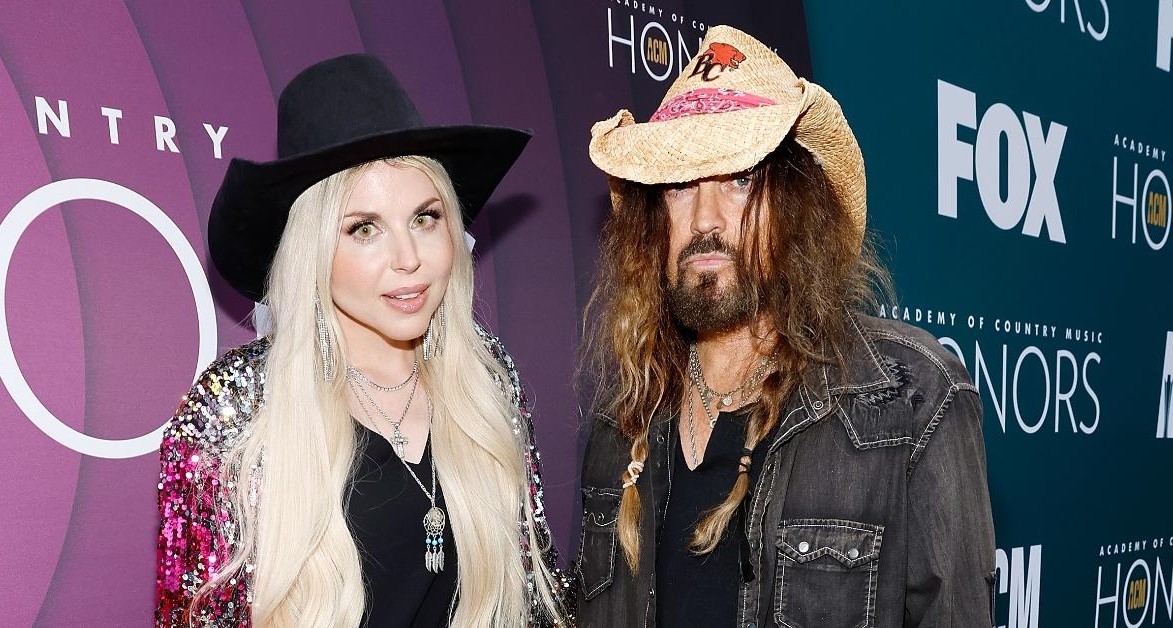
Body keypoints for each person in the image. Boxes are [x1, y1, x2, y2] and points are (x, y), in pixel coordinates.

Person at [574, 25, 995, 627]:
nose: (706, 220)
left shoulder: (912, 400)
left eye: (741, 180)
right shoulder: (626, 423)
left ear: (796, 206)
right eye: (678, 189)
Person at [156, 53, 568, 627]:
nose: (409, 260)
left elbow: (534, 595)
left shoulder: (488, 378)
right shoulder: (235, 413)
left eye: (425, 218)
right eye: (365, 229)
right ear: (313, 251)